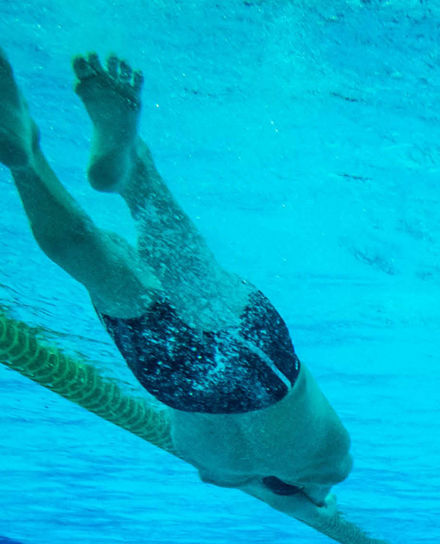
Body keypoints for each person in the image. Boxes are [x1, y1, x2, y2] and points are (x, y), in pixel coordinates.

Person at [0, 49, 351, 514]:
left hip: (263, 379)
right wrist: (290, 494)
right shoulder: (224, 473)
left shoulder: (327, 467)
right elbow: (308, 505)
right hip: (175, 383)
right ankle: (26, 164)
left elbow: (314, 500)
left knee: (193, 276)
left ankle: (135, 168)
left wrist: (303, 494)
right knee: (99, 264)